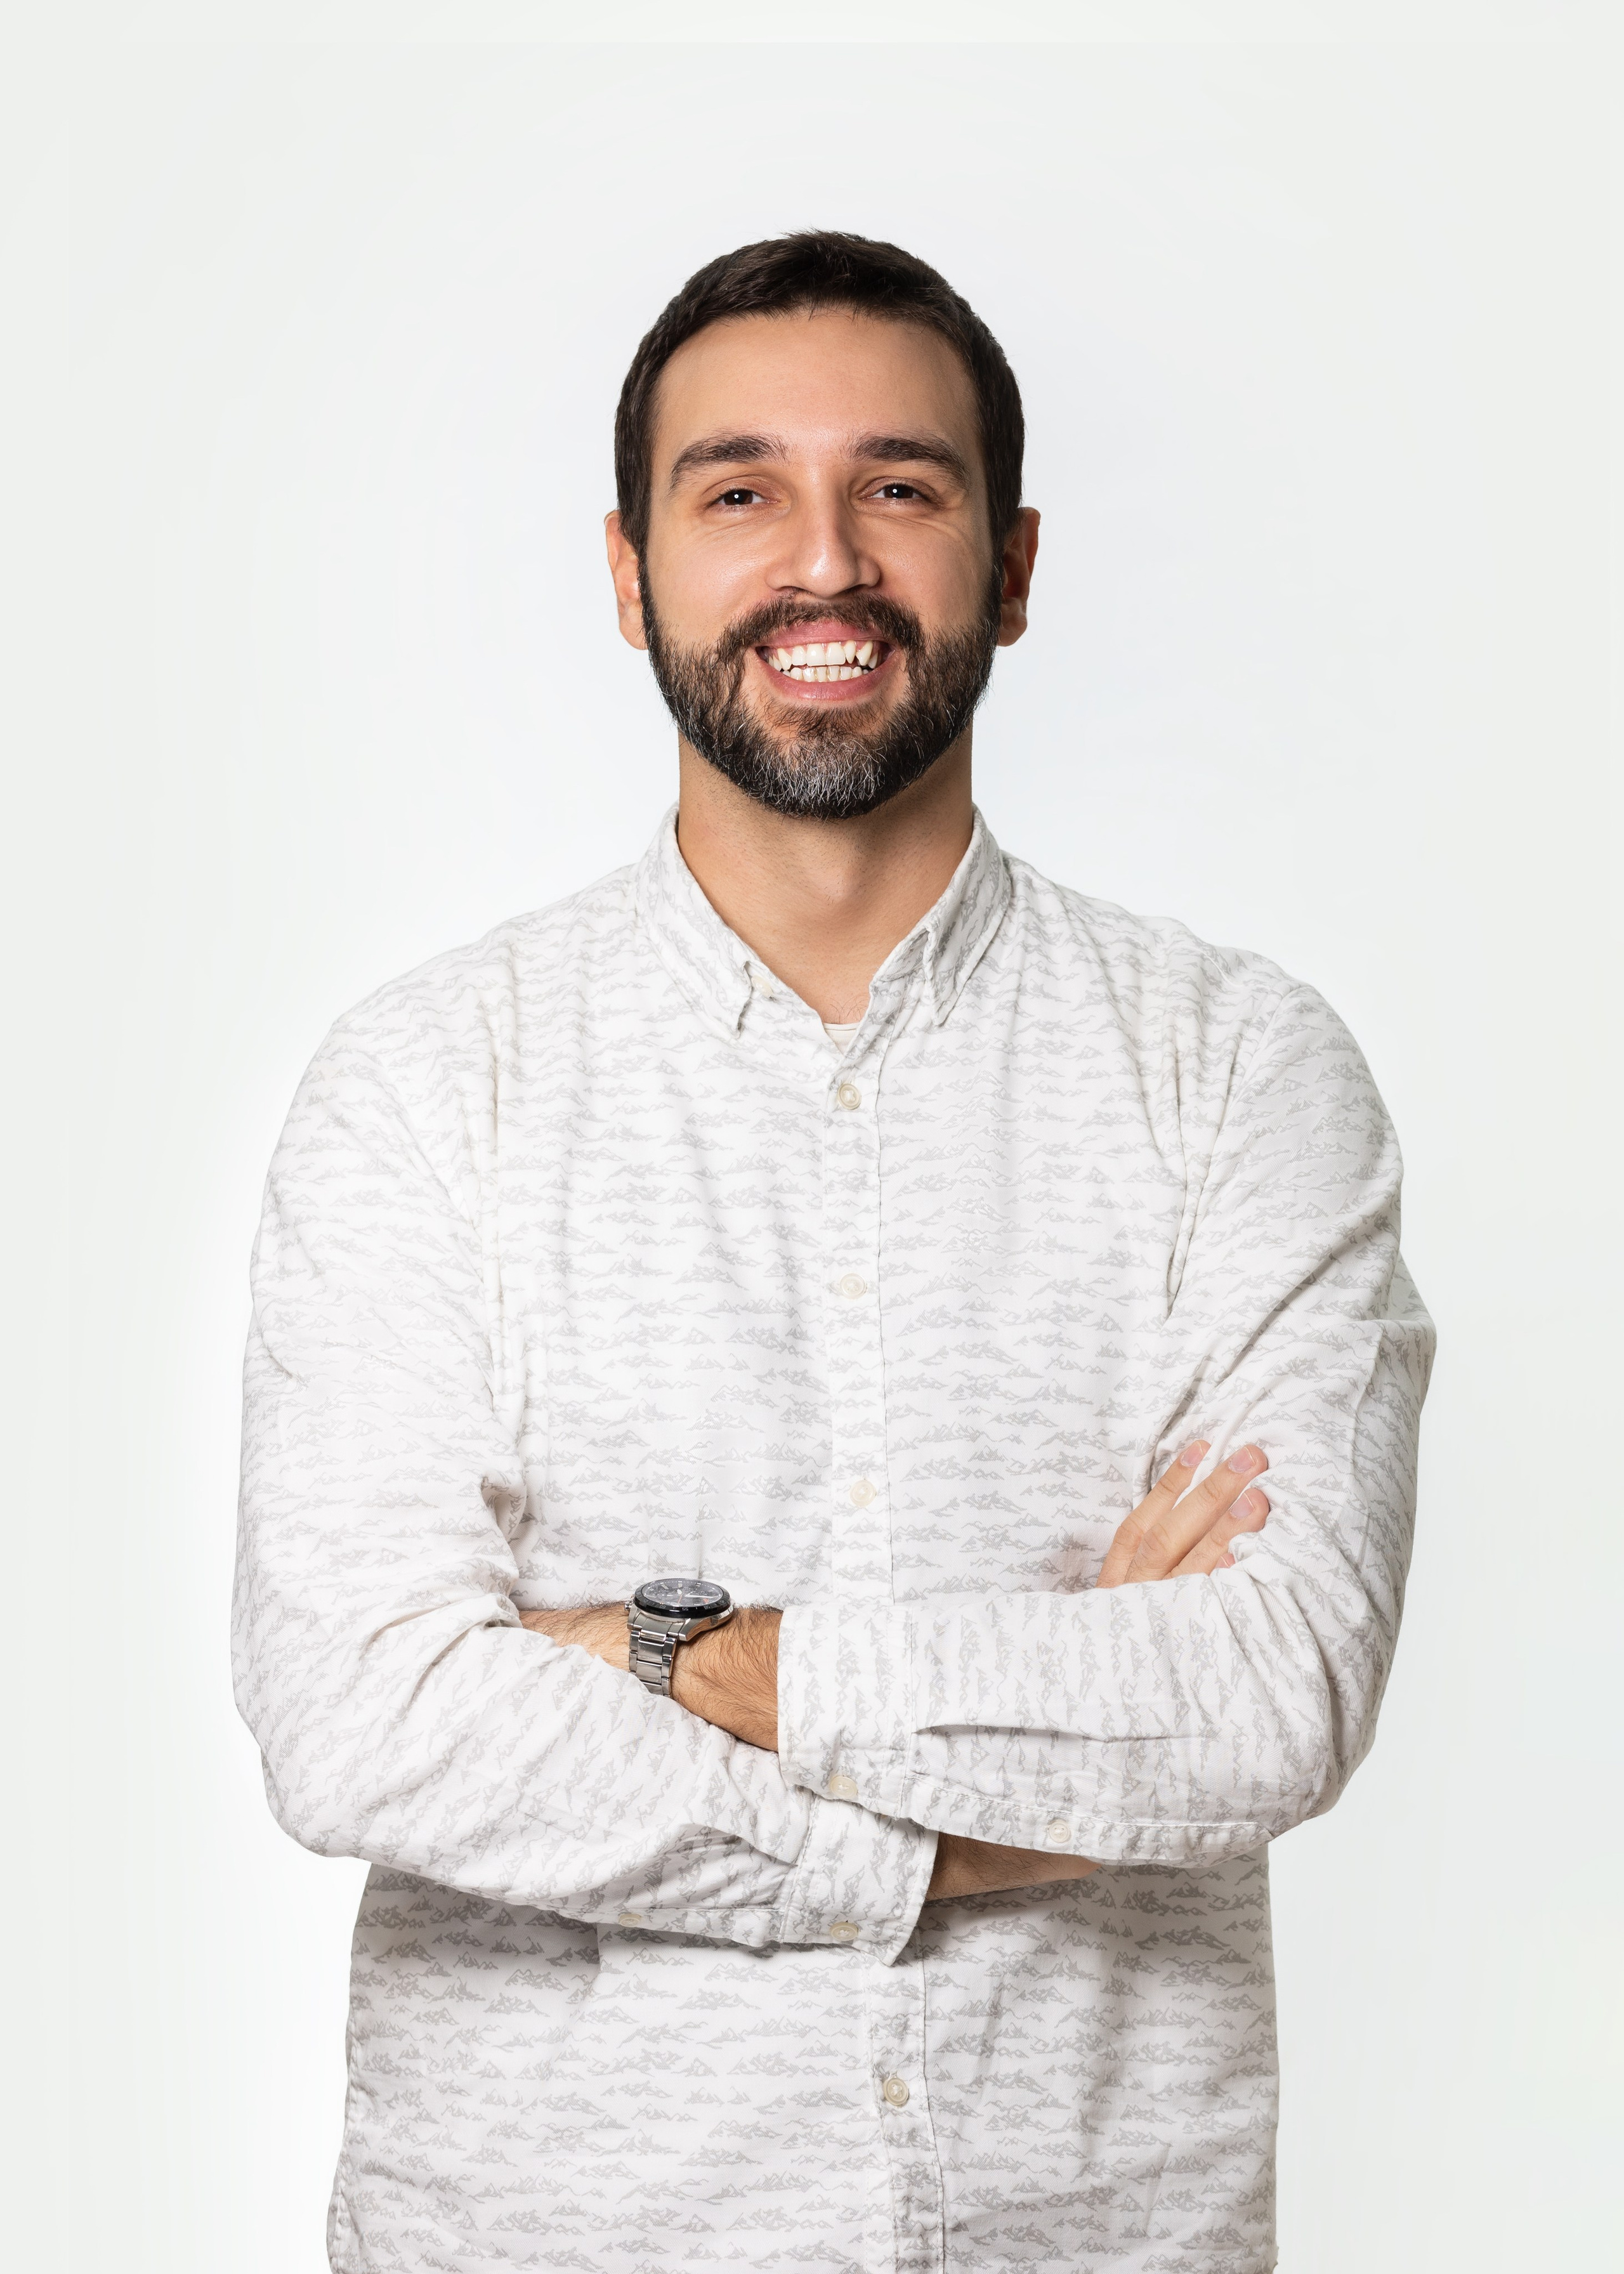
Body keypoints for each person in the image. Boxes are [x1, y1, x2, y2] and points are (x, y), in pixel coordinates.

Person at [235, 231, 1433, 2274]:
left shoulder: (1243, 1071)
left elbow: (1267, 1691)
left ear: (1017, 564)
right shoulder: (431, 1087)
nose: (826, 562)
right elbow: (366, 1714)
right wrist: (990, 1811)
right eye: (737, 491)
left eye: (900, 485)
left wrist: (650, 1644)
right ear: (629, 575)